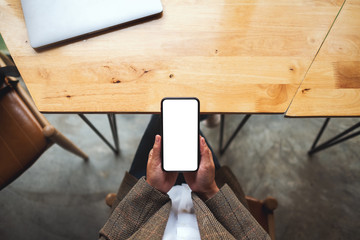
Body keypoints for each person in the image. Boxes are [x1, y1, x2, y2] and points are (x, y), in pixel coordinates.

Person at [99, 115, 270, 240]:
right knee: (180, 116)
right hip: (213, 204)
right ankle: (204, 115)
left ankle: (201, 115)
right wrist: (209, 191)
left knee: (164, 116)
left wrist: (150, 192)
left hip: (144, 208)